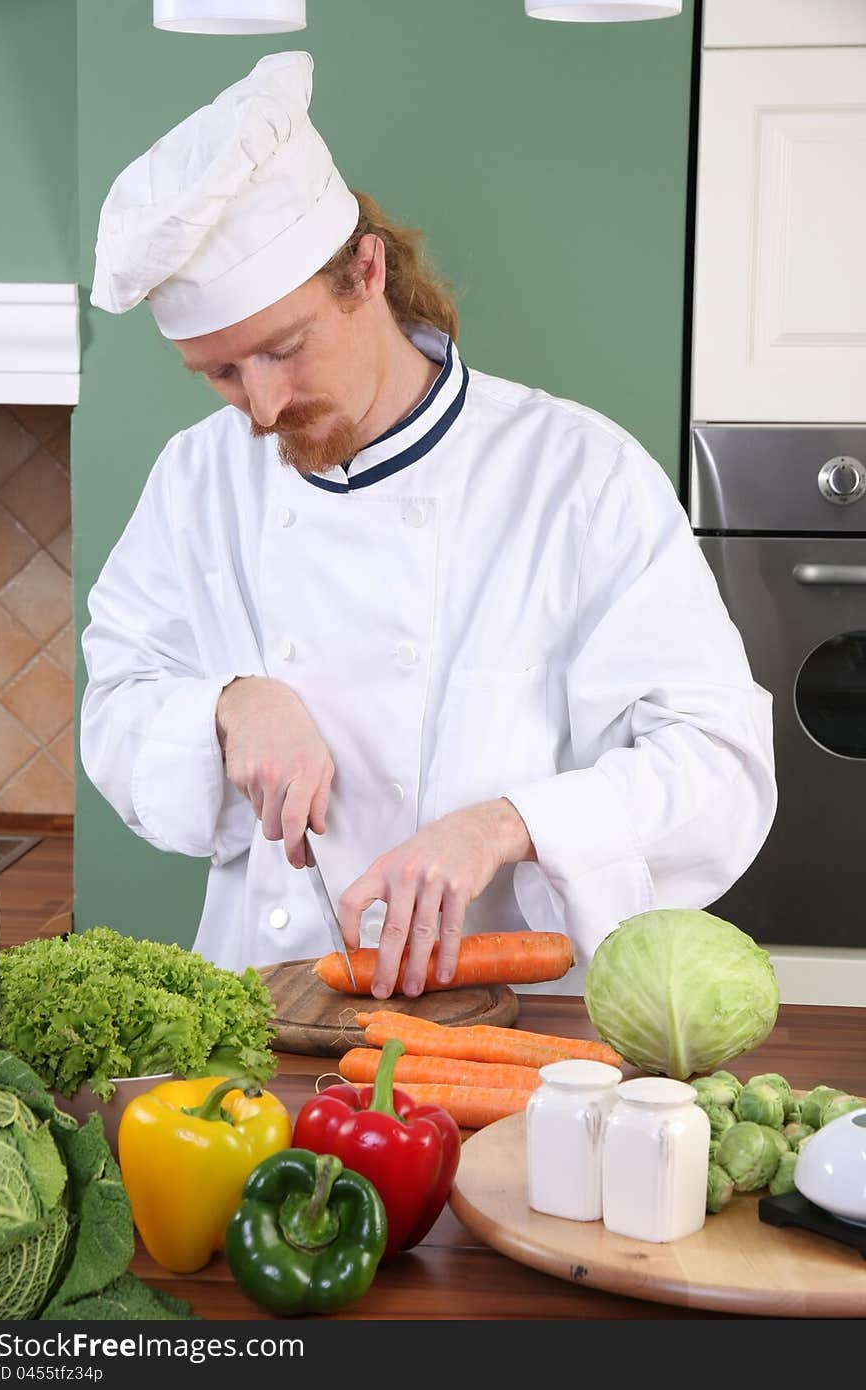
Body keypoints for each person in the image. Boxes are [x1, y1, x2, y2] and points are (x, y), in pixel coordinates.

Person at [81, 51, 777, 1000]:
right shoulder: (195, 479)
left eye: (285, 349)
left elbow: (719, 764)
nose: (260, 406)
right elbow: (117, 708)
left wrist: (505, 824)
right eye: (220, 373)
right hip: (266, 1013)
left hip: (521, 1028)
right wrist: (232, 703)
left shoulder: (578, 474)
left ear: (366, 272)